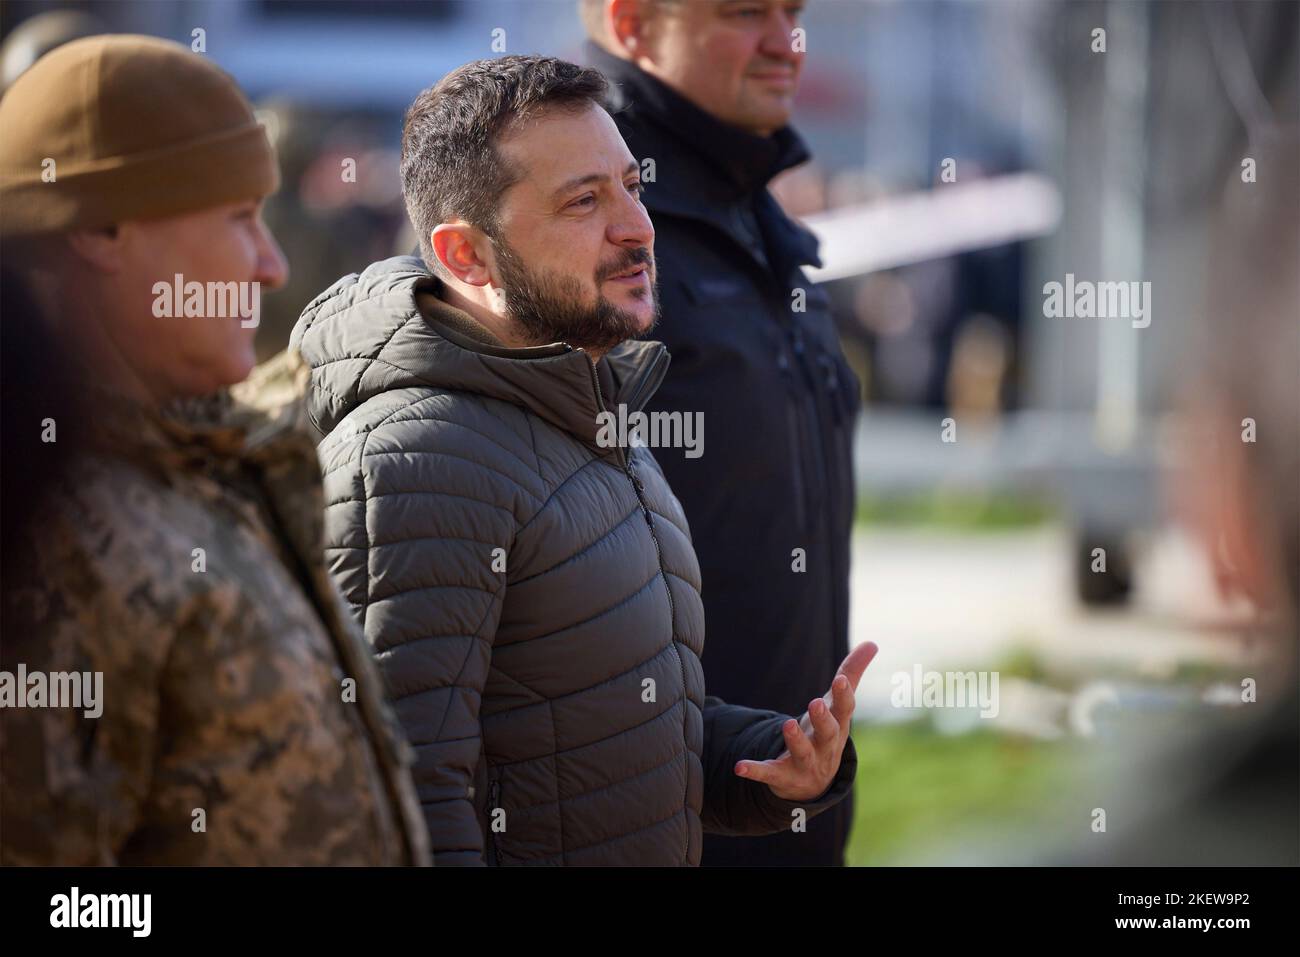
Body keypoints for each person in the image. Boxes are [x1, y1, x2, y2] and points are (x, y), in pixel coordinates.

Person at [291, 54, 873, 866]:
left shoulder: (589, 410)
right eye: (583, 201)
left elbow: (602, 730)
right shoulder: (414, 459)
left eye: (631, 186)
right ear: (468, 258)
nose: (637, 226)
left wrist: (765, 762)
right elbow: (400, 807)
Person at [0, 35, 428, 866]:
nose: (271, 267)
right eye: (239, 220)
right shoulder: (47, 537)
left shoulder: (211, 466)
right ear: (100, 228)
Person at [580, 0, 862, 865]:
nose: (788, 41)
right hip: (647, 821)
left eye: (794, 11)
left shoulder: (754, 219)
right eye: (747, 12)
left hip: (790, 801)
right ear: (632, 22)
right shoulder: (578, 226)